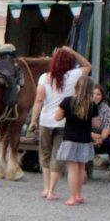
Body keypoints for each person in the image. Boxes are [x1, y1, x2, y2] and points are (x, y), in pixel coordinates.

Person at [29, 45, 91, 200]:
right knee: (57, 156)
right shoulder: (74, 75)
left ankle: (45, 188)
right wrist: (72, 52)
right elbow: (88, 65)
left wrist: (33, 120)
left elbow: (39, 100)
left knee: (45, 154)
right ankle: (52, 190)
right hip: (63, 122)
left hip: (45, 121)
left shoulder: (44, 77)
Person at [54, 76, 98, 206]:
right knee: (81, 169)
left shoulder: (67, 101)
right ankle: (78, 195)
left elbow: (57, 117)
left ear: (76, 87)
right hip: (85, 140)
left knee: (72, 170)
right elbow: (96, 124)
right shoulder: (92, 105)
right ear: (90, 90)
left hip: (70, 139)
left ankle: (72, 198)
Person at [89, 83, 110, 169]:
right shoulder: (84, 106)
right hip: (87, 136)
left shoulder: (105, 109)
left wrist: (100, 139)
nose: (95, 96)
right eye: (93, 94)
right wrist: (92, 135)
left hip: (101, 138)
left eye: (98, 94)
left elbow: (107, 127)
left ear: (102, 96)